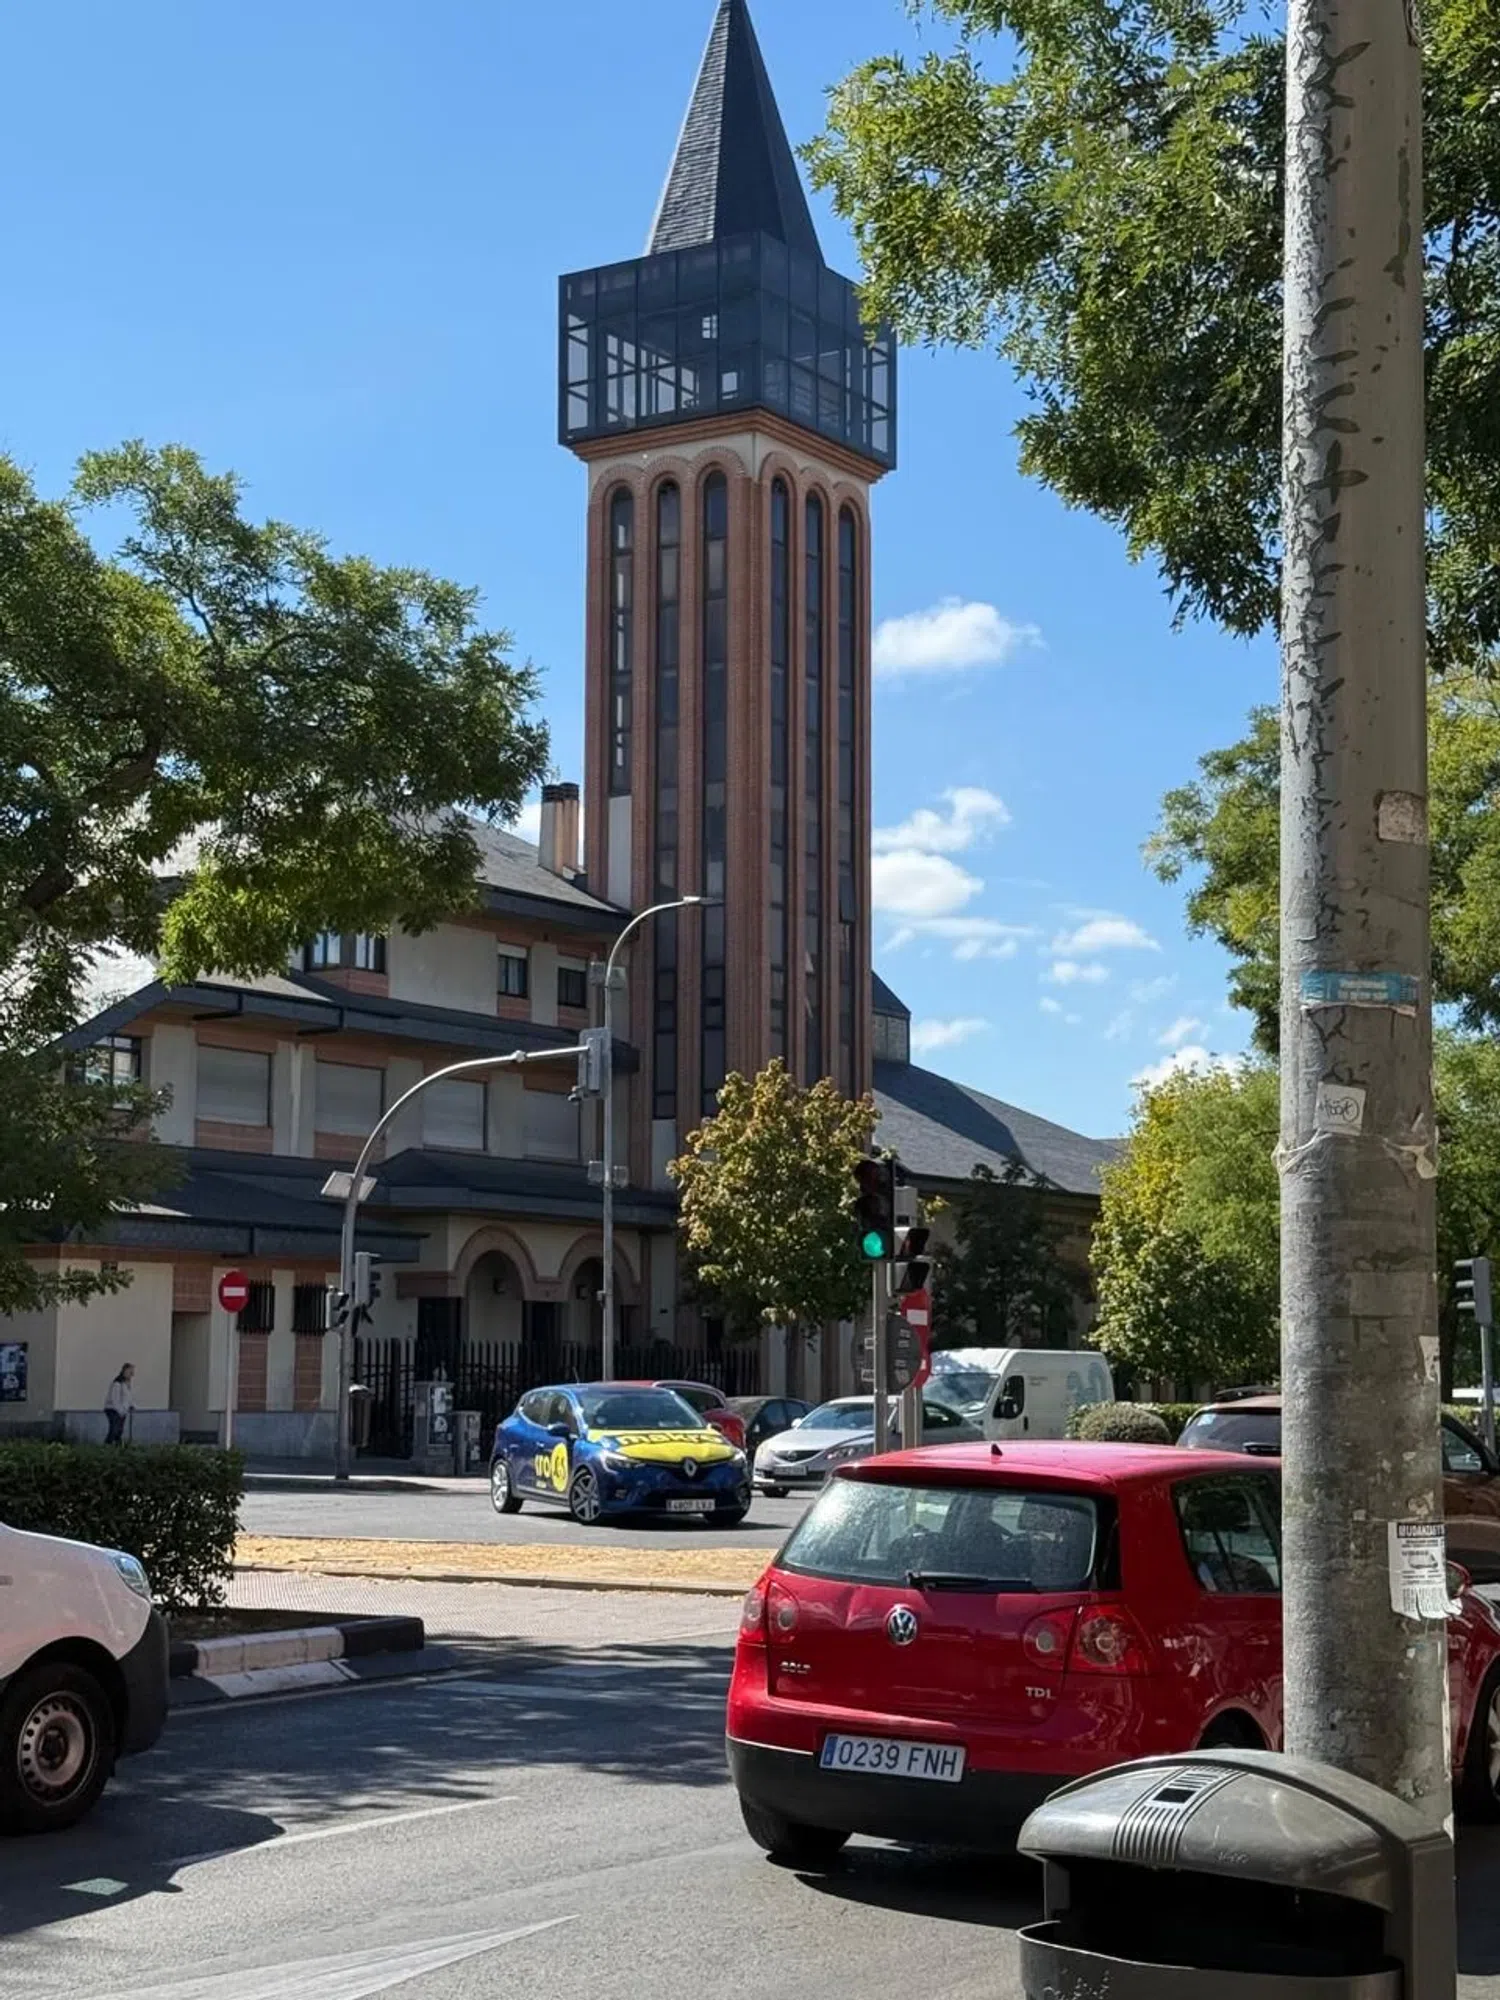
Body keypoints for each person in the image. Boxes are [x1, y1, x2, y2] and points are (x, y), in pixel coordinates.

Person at [104, 1363, 134, 1445]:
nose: (131, 1375)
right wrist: (120, 1411)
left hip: (122, 1411)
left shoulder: (126, 1384)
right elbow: (115, 1399)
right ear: (124, 1371)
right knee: (114, 1429)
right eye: (129, 1372)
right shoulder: (117, 1383)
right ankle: (108, 1445)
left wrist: (130, 1405)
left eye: (132, 1373)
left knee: (119, 1430)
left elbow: (127, 1397)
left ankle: (117, 1447)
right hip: (113, 1409)